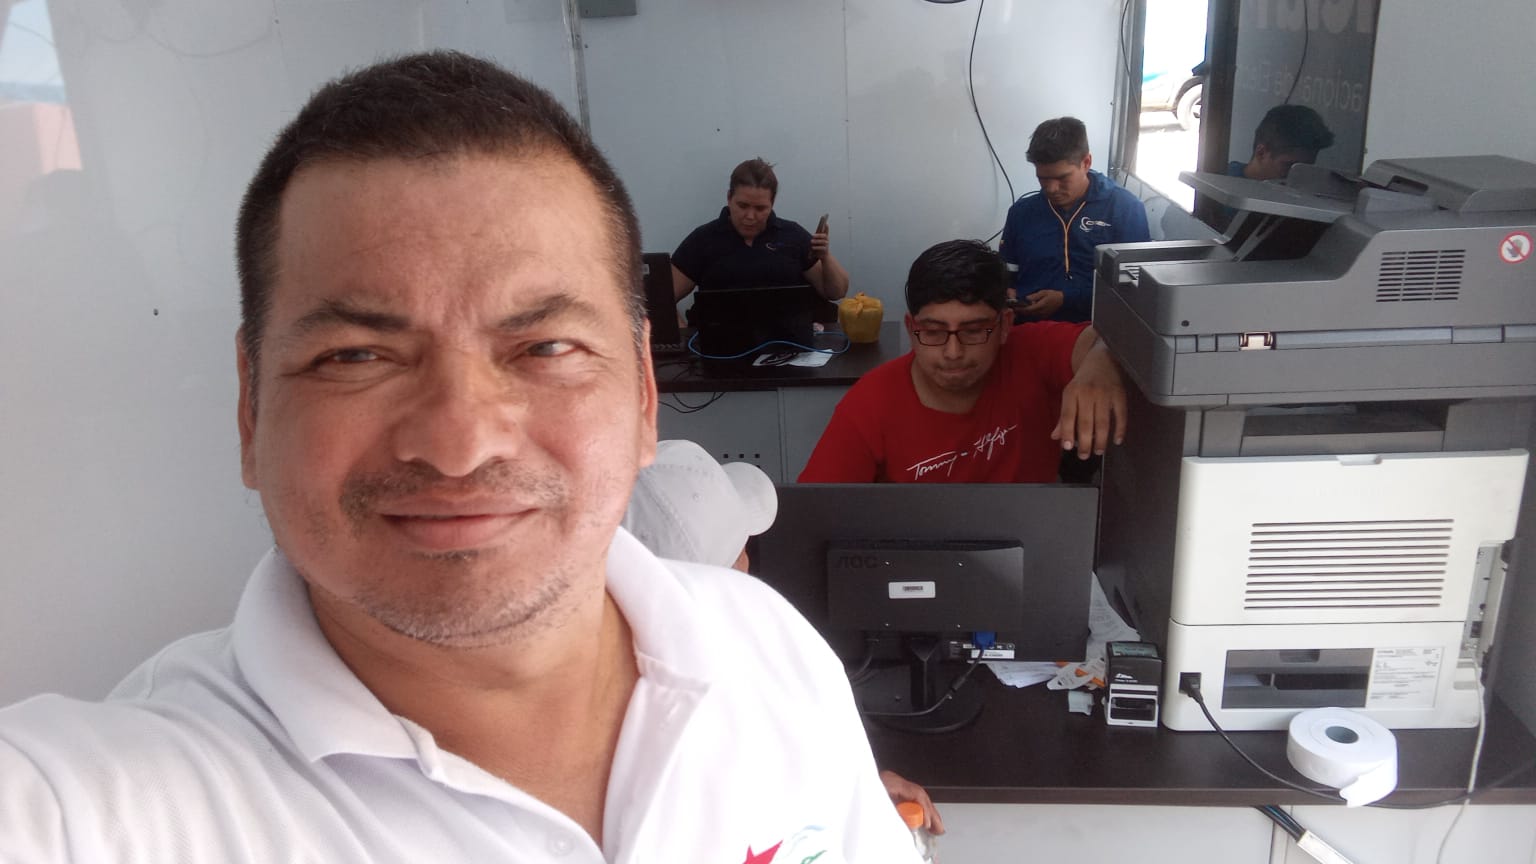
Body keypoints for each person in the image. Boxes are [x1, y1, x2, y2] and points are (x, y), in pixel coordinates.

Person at [0, 52, 920, 863]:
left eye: (546, 346)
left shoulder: (769, 647)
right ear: (251, 407)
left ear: (644, 393)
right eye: (355, 356)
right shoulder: (98, 804)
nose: (459, 442)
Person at [624, 439, 947, 836]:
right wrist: (856, 800)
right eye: (743, 546)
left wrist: (858, 791)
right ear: (730, 572)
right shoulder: (774, 665)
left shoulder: (612, 692)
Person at [798, 239, 1126, 484]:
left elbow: (1104, 335)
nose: (953, 352)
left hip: (1032, 541)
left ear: (1005, 325)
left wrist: (1100, 362)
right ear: (912, 329)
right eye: (934, 331)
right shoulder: (870, 403)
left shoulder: (1031, 352)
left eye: (973, 331)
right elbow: (817, 513)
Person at [998, 116, 1151, 323]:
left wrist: (1067, 299)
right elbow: (1008, 271)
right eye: (1043, 178)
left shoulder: (1124, 208)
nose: (1051, 189)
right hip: (1029, 325)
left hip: (1096, 328)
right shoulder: (1021, 212)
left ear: (1086, 163)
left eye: (1062, 178)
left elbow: (1133, 283)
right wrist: (1007, 292)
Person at [671, 157, 851, 312]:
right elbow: (661, 300)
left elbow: (837, 292)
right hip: (719, 340)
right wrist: (681, 334)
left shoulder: (792, 235)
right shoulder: (703, 240)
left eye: (760, 208)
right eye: (742, 206)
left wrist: (825, 257)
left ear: (772, 204)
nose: (750, 216)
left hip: (786, 338)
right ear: (729, 198)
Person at [1227, 104, 1335, 182]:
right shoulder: (1220, 190)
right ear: (1261, 153)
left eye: (1305, 170)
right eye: (1289, 166)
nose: (1298, 177)